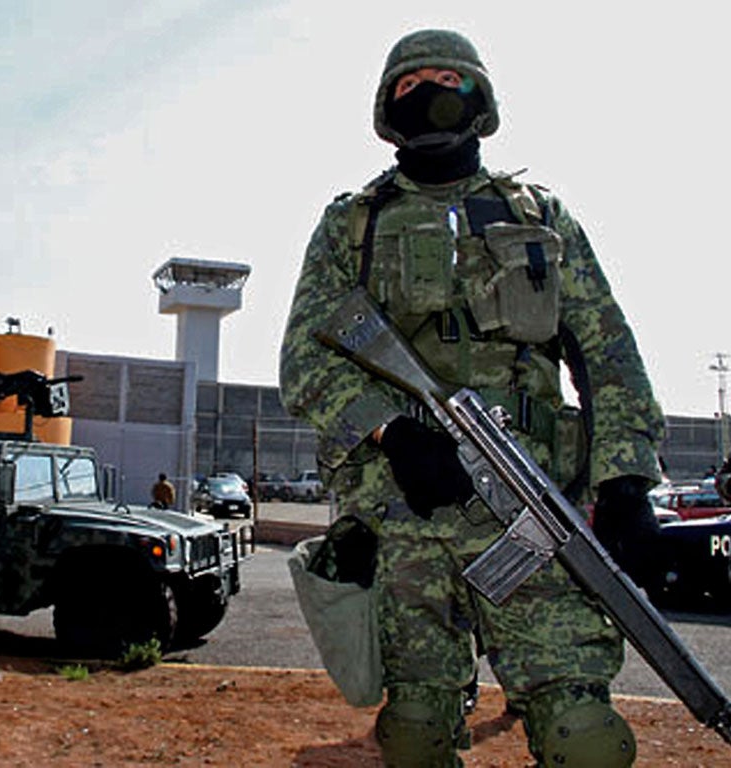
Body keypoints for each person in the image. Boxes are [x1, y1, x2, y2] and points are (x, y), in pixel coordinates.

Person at [280, 29, 665, 767]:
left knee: (583, 735)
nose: (429, 92)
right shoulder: (351, 226)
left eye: (445, 79)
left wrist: (624, 480)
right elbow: (305, 359)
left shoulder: (541, 219)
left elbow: (608, 353)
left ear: (479, 98)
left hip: (531, 504)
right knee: (416, 733)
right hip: (403, 516)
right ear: (387, 109)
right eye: (410, 83)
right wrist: (394, 432)